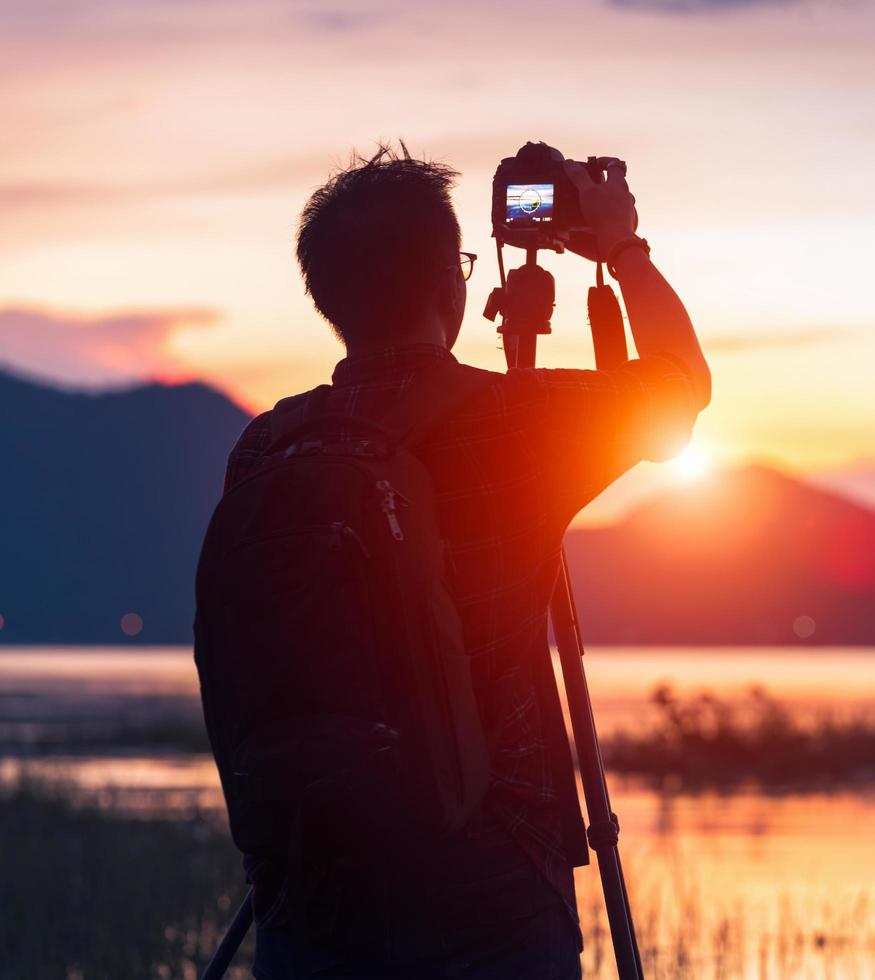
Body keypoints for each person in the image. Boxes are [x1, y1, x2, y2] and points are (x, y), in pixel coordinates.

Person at [215, 144, 710, 978]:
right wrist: (623, 249)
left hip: (310, 876)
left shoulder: (264, 448)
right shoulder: (509, 423)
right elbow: (675, 391)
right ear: (453, 282)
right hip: (489, 883)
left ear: (328, 299)